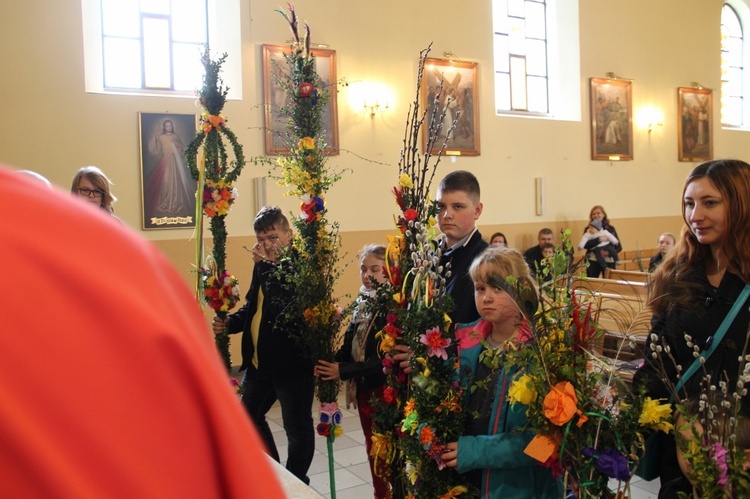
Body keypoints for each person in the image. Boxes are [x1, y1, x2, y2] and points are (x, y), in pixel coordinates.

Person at [0, 165, 284, 497]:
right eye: (82, 191)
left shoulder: (116, 238)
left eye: (95, 191)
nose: (88, 197)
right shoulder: (46, 249)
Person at [633, 159, 750, 496]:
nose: (695, 215)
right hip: (683, 458)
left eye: (710, 202)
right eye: (689, 203)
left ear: (742, 204)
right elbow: (657, 366)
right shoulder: (678, 276)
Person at [441, 246, 558, 498]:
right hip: (468, 482)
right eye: (480, 288)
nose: (487, 297)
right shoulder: (466, 343)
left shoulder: (544, 352)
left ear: (522, 289)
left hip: (521, 489)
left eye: (498, 288)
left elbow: (546, 444)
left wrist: (475, 451)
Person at [211, 206, 315, 485]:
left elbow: (283, 308)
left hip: (292, 365)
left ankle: (296, 481)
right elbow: (254, 307)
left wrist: (265, 267)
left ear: (288, 234)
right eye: (261, 239)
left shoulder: (300, 265)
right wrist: (231, 324)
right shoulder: (263, 268)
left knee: (297, 428)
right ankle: (276, 473)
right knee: (248, 419)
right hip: (260, 363)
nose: (267, 245)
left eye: (272, 237)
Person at [314, 244, 389, 498]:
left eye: (375, 269)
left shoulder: (390, 306)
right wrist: (330, 361)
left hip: (383, 389)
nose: (367, 275)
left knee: (384, 446)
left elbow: (382, 361)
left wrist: (342, 370)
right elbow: (349, 344)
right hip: (364, 387)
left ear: (388, 271)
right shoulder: (362, 301)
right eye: (363, 269)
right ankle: (380, 493)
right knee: (371, 444)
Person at [436, 170, 488, 325]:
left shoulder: (487, 260)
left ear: (477, 210)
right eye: (441, 206)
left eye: (458, 207)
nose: (447, 215)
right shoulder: (427, 256)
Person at [145, 118, 195, 216]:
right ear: (164, 127)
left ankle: (175, 203)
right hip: (165, 160)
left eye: (170, 126)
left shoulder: (176, 136)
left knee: (175, 181)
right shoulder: (161, 136)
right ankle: (166, 201)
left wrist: (179, 145)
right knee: (166, 181)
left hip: (176, 161)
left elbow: (183, 148)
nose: (168, 127)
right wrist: (155, 137)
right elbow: (155, 149)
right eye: (167, 126)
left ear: (172, 127)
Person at [581, 205, 622, 277]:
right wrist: (599, 240)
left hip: (608, 261)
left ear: (603, 214)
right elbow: (586, 245)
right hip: (593, 260)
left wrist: (607, 253)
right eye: (593, 214)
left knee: (609, 284)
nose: (596, 215)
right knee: (592, 284)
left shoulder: (610, 229)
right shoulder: (588, 229)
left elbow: (618, 246)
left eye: (598, 213)